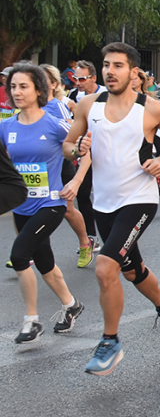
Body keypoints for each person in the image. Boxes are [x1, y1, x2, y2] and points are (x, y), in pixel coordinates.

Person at [63, 42, 160, 375]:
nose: (109, 71)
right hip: (103, 202)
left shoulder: (152, 109)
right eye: (106, 65)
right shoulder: (88, 105)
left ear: (134, 72)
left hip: (140, 200)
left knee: (106, 268)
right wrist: (78, 149)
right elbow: (68, 146)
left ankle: (110, 342)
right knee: (131, 270)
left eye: (118, 65)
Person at [1, 64, 84, 343]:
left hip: (51, 203)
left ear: (39, 89)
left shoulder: (53, 123)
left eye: (23, 86)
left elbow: (80, 148)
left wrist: (75, 179)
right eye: (13, 86)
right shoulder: (6, 127)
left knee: (21, 255)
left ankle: (31, 320)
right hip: (21, 205)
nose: (17, 92)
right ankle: (71, 304)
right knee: (46, 262)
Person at [41, 64, 95, 268]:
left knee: (67, 210)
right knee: (26, 207)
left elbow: (77, 141)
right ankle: (25, 248)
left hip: (60, 163)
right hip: (35, 167)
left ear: (54, 84)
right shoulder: (27, 107)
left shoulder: (59, 106)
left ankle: (84, 242)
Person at [67, 60, 104, 252]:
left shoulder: (107, 94)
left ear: (94, 78)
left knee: (104, 194)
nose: (78, 82)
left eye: (82, 78)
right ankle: (92, 236)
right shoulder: (74, 96)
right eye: (75, 78)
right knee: (83, 193)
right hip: (86, 151)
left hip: (108, 154)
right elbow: (74, 126)